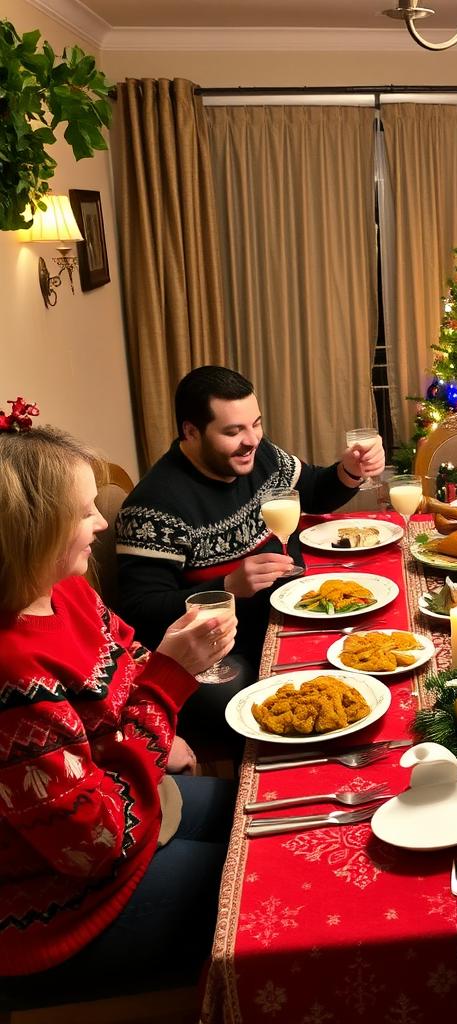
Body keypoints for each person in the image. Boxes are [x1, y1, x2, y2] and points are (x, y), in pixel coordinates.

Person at [0, 419, 237, 1002]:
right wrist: (168, 690)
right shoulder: (12, 674)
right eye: (85, 512)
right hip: (66, 906)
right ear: (33, 528)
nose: (101, 523)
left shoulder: (65, 589)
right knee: (263, 890)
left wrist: (158, 713)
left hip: (132, 804)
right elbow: (99, 839)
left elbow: (127, 661)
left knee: (257, 813)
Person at [114, 366, 385, 735]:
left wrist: (349, 472)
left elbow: (314, 488)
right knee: (269, 709)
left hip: (289, 611)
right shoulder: (154, 507)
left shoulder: (260, 454)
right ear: (191, 432)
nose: (252, 440)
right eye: (233, 431)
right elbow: (138, 612)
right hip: (227, 649)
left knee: (372, 653)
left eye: (255, 424)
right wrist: (227, 587)